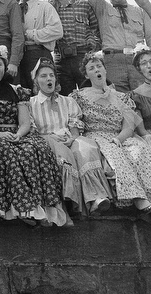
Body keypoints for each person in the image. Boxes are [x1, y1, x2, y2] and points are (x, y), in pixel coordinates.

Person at [0, 48, 67, 224]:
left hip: (17, 133)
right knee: (6, 152)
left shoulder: (17, 91)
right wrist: (0, 134)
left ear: (5, 67)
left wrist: (17, 135)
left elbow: (24, 123)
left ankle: (44, 208)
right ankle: (21, 209)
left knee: (36, 149)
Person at [74, 50, 151, 212]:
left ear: (105, 69)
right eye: (91, 68)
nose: (96, 70)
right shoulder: (79, 96)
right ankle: (137, 197)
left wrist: (120, 138)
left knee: (140, 148)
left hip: (119, 135)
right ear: (87, 75)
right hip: (96, 136)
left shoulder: (121, 97)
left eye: (99, 66)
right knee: (115, 153)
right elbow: (75, 120)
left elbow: (129, 125)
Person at [28, 58, 92, 217]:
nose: (48, 79)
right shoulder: (30, 104)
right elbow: (32, 131)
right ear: (36, 81)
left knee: (86, 149)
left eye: (51, 75)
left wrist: (73, 138)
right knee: (62, 154)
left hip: (70, 138)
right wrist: (50, 138)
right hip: (46, 140)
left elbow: (75, 125)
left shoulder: (68, 101)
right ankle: (70, 199)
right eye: (43, 76)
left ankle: (95, 197)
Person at [82, 0, 151, 91]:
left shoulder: (139, 12)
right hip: (113, 62)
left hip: (137, 60)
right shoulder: (103, 9)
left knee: (143, 100)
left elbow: (150, 38)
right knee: (120, 101)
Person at [47, 0, 100, 95]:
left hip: (82, 57)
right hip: (61, 60)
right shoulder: (48, 7)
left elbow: (97, 30)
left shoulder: (83, 4)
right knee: (65, 98)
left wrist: (93, 44)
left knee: (90, 95)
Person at [16, 0, 63, 89]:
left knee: (43, 93)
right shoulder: (14, 9)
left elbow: (57, 30)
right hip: (19, 57)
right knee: (23, 95)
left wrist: (29, 33)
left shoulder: (44, 6)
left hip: (39, 54)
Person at [130, 45, 151, 130]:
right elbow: (141, 131)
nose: (149, 66)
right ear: (139, 68)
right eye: (144, 63)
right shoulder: (135, 96)